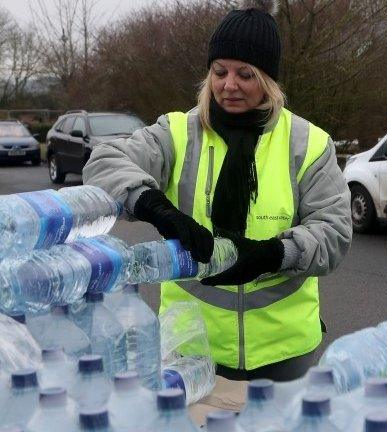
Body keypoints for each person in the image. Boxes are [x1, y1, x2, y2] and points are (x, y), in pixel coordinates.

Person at [83, 0, 352, 381]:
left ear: (269, 80)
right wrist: (155, 206)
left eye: (245, 74)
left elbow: (334, 233)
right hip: (191, 348)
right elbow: (103, 161)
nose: (229, 85)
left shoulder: (308, 143)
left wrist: (273, 254)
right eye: (219, 71)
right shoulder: (177, 133)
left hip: (284, 351)